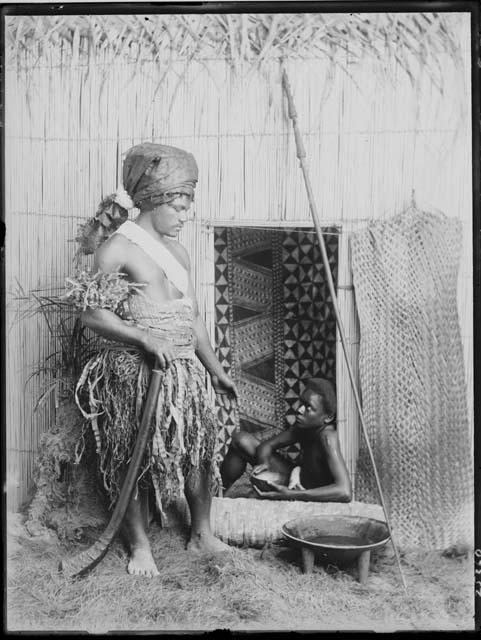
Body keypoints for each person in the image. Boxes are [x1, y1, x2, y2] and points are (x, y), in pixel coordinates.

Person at [72, 143, 237, 578]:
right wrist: (142, 335)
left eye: (187, 206)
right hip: (136, 372)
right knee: (132, 455)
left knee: (199, 450)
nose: (186, 216)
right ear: (154, 202)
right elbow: (92, 313)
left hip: (184, 371)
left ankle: (201, 534)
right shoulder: (116, 250)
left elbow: (193, 317)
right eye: (180, 206)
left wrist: (216, 372)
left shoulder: (178, 253)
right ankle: (140, 547)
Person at [220, 378, 352, 502]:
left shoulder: (328, 438)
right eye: (301, 403)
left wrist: (294, 494)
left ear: (328, 417)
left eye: (308, 407)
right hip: (297, 477)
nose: (299, 410)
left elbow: (344, 492)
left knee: (264, 480)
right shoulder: (305, 427)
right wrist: (264, 463)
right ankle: (219, 491)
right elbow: (268, 445)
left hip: (313, 493)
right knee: (241, 439)